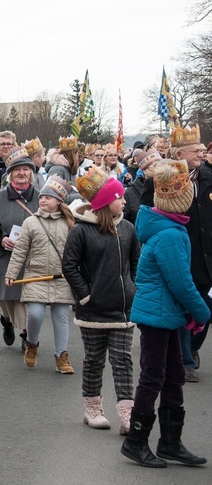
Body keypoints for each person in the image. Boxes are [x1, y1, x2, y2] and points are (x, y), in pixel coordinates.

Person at [121, 160, 209, 468]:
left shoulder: (168, 227)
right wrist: (202, 311)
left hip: (167, 313)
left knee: (173, 376)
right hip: (158, 314)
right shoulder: (170, 234)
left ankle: (170, 442)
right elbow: (181, 282)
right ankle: (136, 441)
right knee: (153, 377)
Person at [62, 165, 140, 433]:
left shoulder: (128, 228)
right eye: (119, 196)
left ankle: (126, 414)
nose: (124, 200)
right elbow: (69, 266)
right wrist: (85, 295)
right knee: (94, 359)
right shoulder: (81, 231)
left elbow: (136, 262)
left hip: (122, 309)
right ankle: (92, 407)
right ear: (107, 202)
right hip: (92, 310)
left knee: (122, 361)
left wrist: (134, 289)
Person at [139, 125, 212, 384]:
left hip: (206, 256)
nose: (203, 155)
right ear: (179, 153)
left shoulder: (209, 178)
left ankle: (191, 347)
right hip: (177, 253)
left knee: (206, 307)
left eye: (204, 151)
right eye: (197, 151)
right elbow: (147, 216)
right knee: (182, 307)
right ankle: (185, 361)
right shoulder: (158, 179)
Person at [5, 176, 75, 373]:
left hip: (61, 278)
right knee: (35, 314)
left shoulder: (70, 223)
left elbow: (76, 252)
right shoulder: (31, 222)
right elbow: (20, 251)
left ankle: (62, 356)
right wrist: (11, 273)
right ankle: (32, 344)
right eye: (42, 197)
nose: (43, 200)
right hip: (35, 276)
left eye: (49, 198)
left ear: (59, 202)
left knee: (61, 317)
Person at [0, 145, 40, 350]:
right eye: (17, 169)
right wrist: (1, 239)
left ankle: (26, 335)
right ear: (10, 174)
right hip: (3, 254)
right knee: (4, 297)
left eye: (26, 169)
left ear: (31, 172)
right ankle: (7, 321)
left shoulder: (41, 198)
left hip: (32, 257)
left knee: (26, 298)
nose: (22, 173)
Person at [123, 148, 162, 224]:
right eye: (155, 166)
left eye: (161, 165)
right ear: (144, 171)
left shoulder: (168, 187)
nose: (159, 170)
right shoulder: (130, 193)